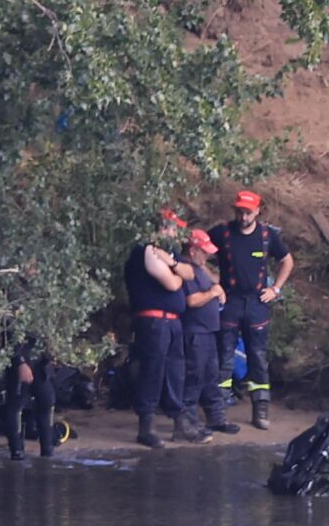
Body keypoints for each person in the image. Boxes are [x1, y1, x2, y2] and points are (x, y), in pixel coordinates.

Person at [210, 189, 293, 430]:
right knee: (224, 356)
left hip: (258, 303)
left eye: (247, 212)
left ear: (257, 211)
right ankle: (218, 411)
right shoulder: (222, 232)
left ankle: (261, 409)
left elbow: (287, 260)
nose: (243, 217)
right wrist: (213, 282)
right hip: (230, 302)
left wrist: (275, 289)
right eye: (239, 212)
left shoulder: (268, 236)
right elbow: (196, 253)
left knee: (257, 356)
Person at [123, 212, 196, 449]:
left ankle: (179, 422)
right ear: (162, 228)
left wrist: (173, 263)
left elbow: (190, 273)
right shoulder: (147, 251)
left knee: (176, 370)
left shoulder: (168, 254)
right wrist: (176, 270)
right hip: (153, 321)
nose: (176, 234)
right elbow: (173, 283)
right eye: (173, 229)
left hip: (172, 321)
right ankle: (146, 426)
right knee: (152, 371)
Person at [181, 228, 239, 436]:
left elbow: (213, 280)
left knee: (211, 378)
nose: (207, 256)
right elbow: (192, 300)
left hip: (208, 332)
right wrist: (213, 292)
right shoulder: (185, 269)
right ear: (193, 250)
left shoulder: (198, 268)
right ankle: (189, 421)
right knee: (193, 379)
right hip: (194, 333)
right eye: (203, 251)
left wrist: (217, 287)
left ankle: (216, 418)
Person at [2, 336, 57, 460]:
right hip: (21, 362)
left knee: (47, 401)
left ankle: (48, 451)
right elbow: (9, 337)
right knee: (16, 406)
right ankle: (17, 452)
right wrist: (20, 363)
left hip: (40, 362)